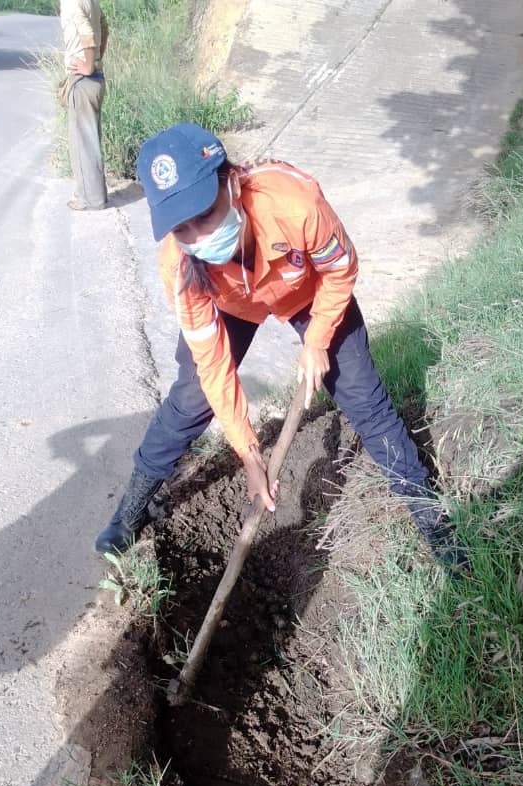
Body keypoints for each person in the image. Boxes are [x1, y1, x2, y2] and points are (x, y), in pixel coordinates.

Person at [96, 123, 466, 568]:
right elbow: (214, 367)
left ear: (230, 182)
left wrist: (317, 338)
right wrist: (249, 453)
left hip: (308, 290)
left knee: (364, 399)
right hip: (231, 302)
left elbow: (341, 269)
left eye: (206, 214)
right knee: (190, 399)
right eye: (181, 228)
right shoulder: (180, 266)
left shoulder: (295, 204)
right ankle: (128, 513)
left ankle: (432, 518)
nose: (198, 236)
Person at [60, 0, 109, 211]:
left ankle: (89, 199)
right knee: (91, 143)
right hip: (96, 80)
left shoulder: (70, 2)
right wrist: (96, 60)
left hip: (83, 81)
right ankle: (98, 196)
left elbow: (87, 32)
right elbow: (104, 27)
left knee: (82, 146)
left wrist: (88, 66)